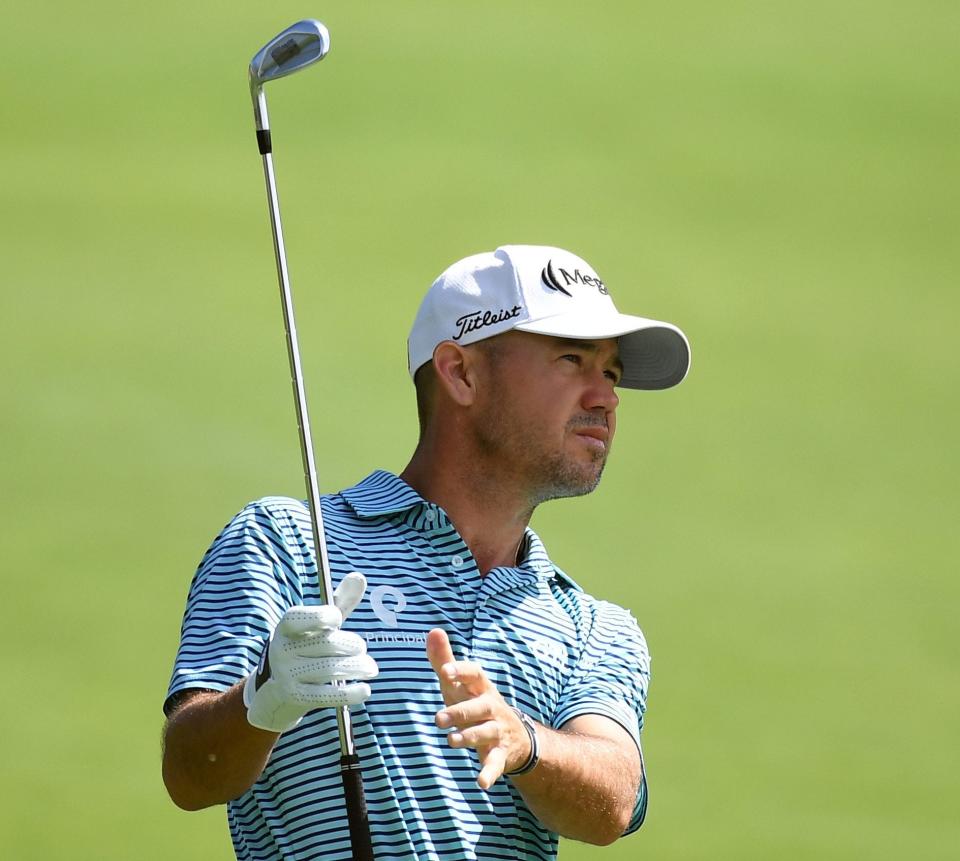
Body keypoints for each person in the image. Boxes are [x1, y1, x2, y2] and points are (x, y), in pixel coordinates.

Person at [161, 244, 690, 860]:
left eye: (612, 373)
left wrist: (525, 745)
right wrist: (264, 697)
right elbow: (190, 775)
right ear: (461, 373)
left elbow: (614, 800)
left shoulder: (595, 626)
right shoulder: (288, 541)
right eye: (572, 359)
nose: (605, 398)